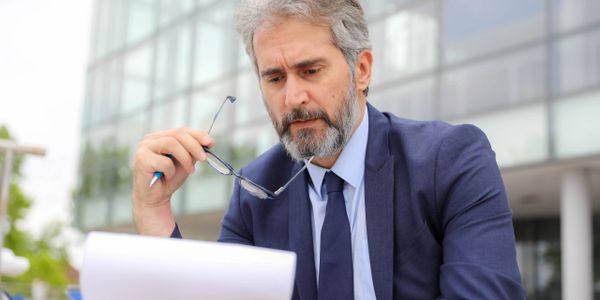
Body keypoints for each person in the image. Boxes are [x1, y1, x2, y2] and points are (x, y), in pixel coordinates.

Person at [132, 0, 525, 299]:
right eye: (274, 78)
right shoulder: (254, 192)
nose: (292, 97)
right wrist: (154, 213)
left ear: (362, 70)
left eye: (310, 71)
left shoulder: (452, 160)